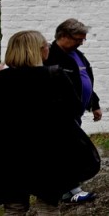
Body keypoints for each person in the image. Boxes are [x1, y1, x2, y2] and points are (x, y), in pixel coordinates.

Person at [0, 30, 100, 215]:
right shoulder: (54, 76)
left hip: (6, 157)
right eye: (46, 46)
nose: (48, 49)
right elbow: (73, 110)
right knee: (48, 206)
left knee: (14, 208)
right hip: (47, 154)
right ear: (38, 50)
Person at [44, 18, 101, 203]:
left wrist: (94, 103)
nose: (81, 42)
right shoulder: (50, 57)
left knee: (68, 149)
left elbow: (85, 79)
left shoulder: (78, 55)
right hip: (59, 115)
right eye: (78, 38)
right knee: (66, 150)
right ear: (63, 36)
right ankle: (72, 190)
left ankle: (67, 189)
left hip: (75, 114)